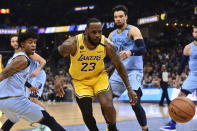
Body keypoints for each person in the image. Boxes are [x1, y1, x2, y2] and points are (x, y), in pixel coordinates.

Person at [49, 18, 138, 131]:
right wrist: (56, 77)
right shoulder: (73, 43)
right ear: (86, 31)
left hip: (99, 77)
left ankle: (112, 128)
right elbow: (52, 58)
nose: (97, 35)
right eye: (94, 32)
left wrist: (129, 88)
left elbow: (119, 65)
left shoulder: (107, 44)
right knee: (87, 113)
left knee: (108, 106)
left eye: (100, 32)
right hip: (80, 81)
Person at [0, 31, 65, 131]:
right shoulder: (22, 59)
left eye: (35, 42)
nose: (33, 45)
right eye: (30, 42)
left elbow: (14, 77)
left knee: (13, 119)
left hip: (3, 101)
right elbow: (3, 75)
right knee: (50, 121)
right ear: (22, 44)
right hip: (14, 100)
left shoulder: (17, 57)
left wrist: (30, 86)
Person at [103, 5, 148, 131]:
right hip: (118, 73)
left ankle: (145, 129)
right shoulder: (111, 35)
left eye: (120, 16)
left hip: (133, 71)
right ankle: (112, 128)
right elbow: (108, 56)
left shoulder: (133, 30)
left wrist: (130, 52)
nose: (118, 19)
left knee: (134, 102)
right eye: (116, 17)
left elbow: (143, 49)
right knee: (105, 101)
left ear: (126, 17)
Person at [160, 26, 197, 131]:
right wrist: (177, 80)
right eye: (195, 32)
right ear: (193, 33)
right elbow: (182, 65)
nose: (196, 33)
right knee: (180, 97)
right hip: (194, 76)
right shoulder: (188, 47)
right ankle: (172, 124)